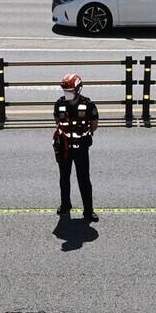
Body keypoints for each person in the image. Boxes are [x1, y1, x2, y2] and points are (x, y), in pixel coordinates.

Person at [53, 72, 99, 222]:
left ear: (78, 90)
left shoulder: (88, 105)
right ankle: (65, 205)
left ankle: (88, 210)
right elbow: (57, 122)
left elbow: (94, 125)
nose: (67, 94)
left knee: (84, 179)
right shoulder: (59, 104)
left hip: (81, 149)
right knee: (64, 178)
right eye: (65, 91)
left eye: (70, 91)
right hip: (65, 148)